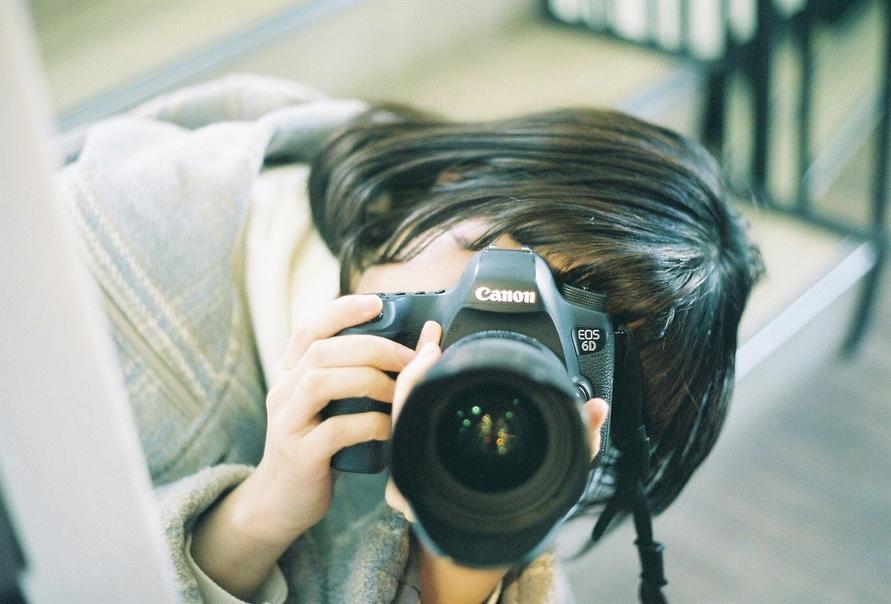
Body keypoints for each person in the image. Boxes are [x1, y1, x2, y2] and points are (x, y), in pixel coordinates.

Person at [182, 103, 764, 603]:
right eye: (505, 278)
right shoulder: (173, 222)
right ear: (460, 179)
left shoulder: (531, 466)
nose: (497, 367)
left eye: (567, 347)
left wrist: (467, 557)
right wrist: (263, 509)